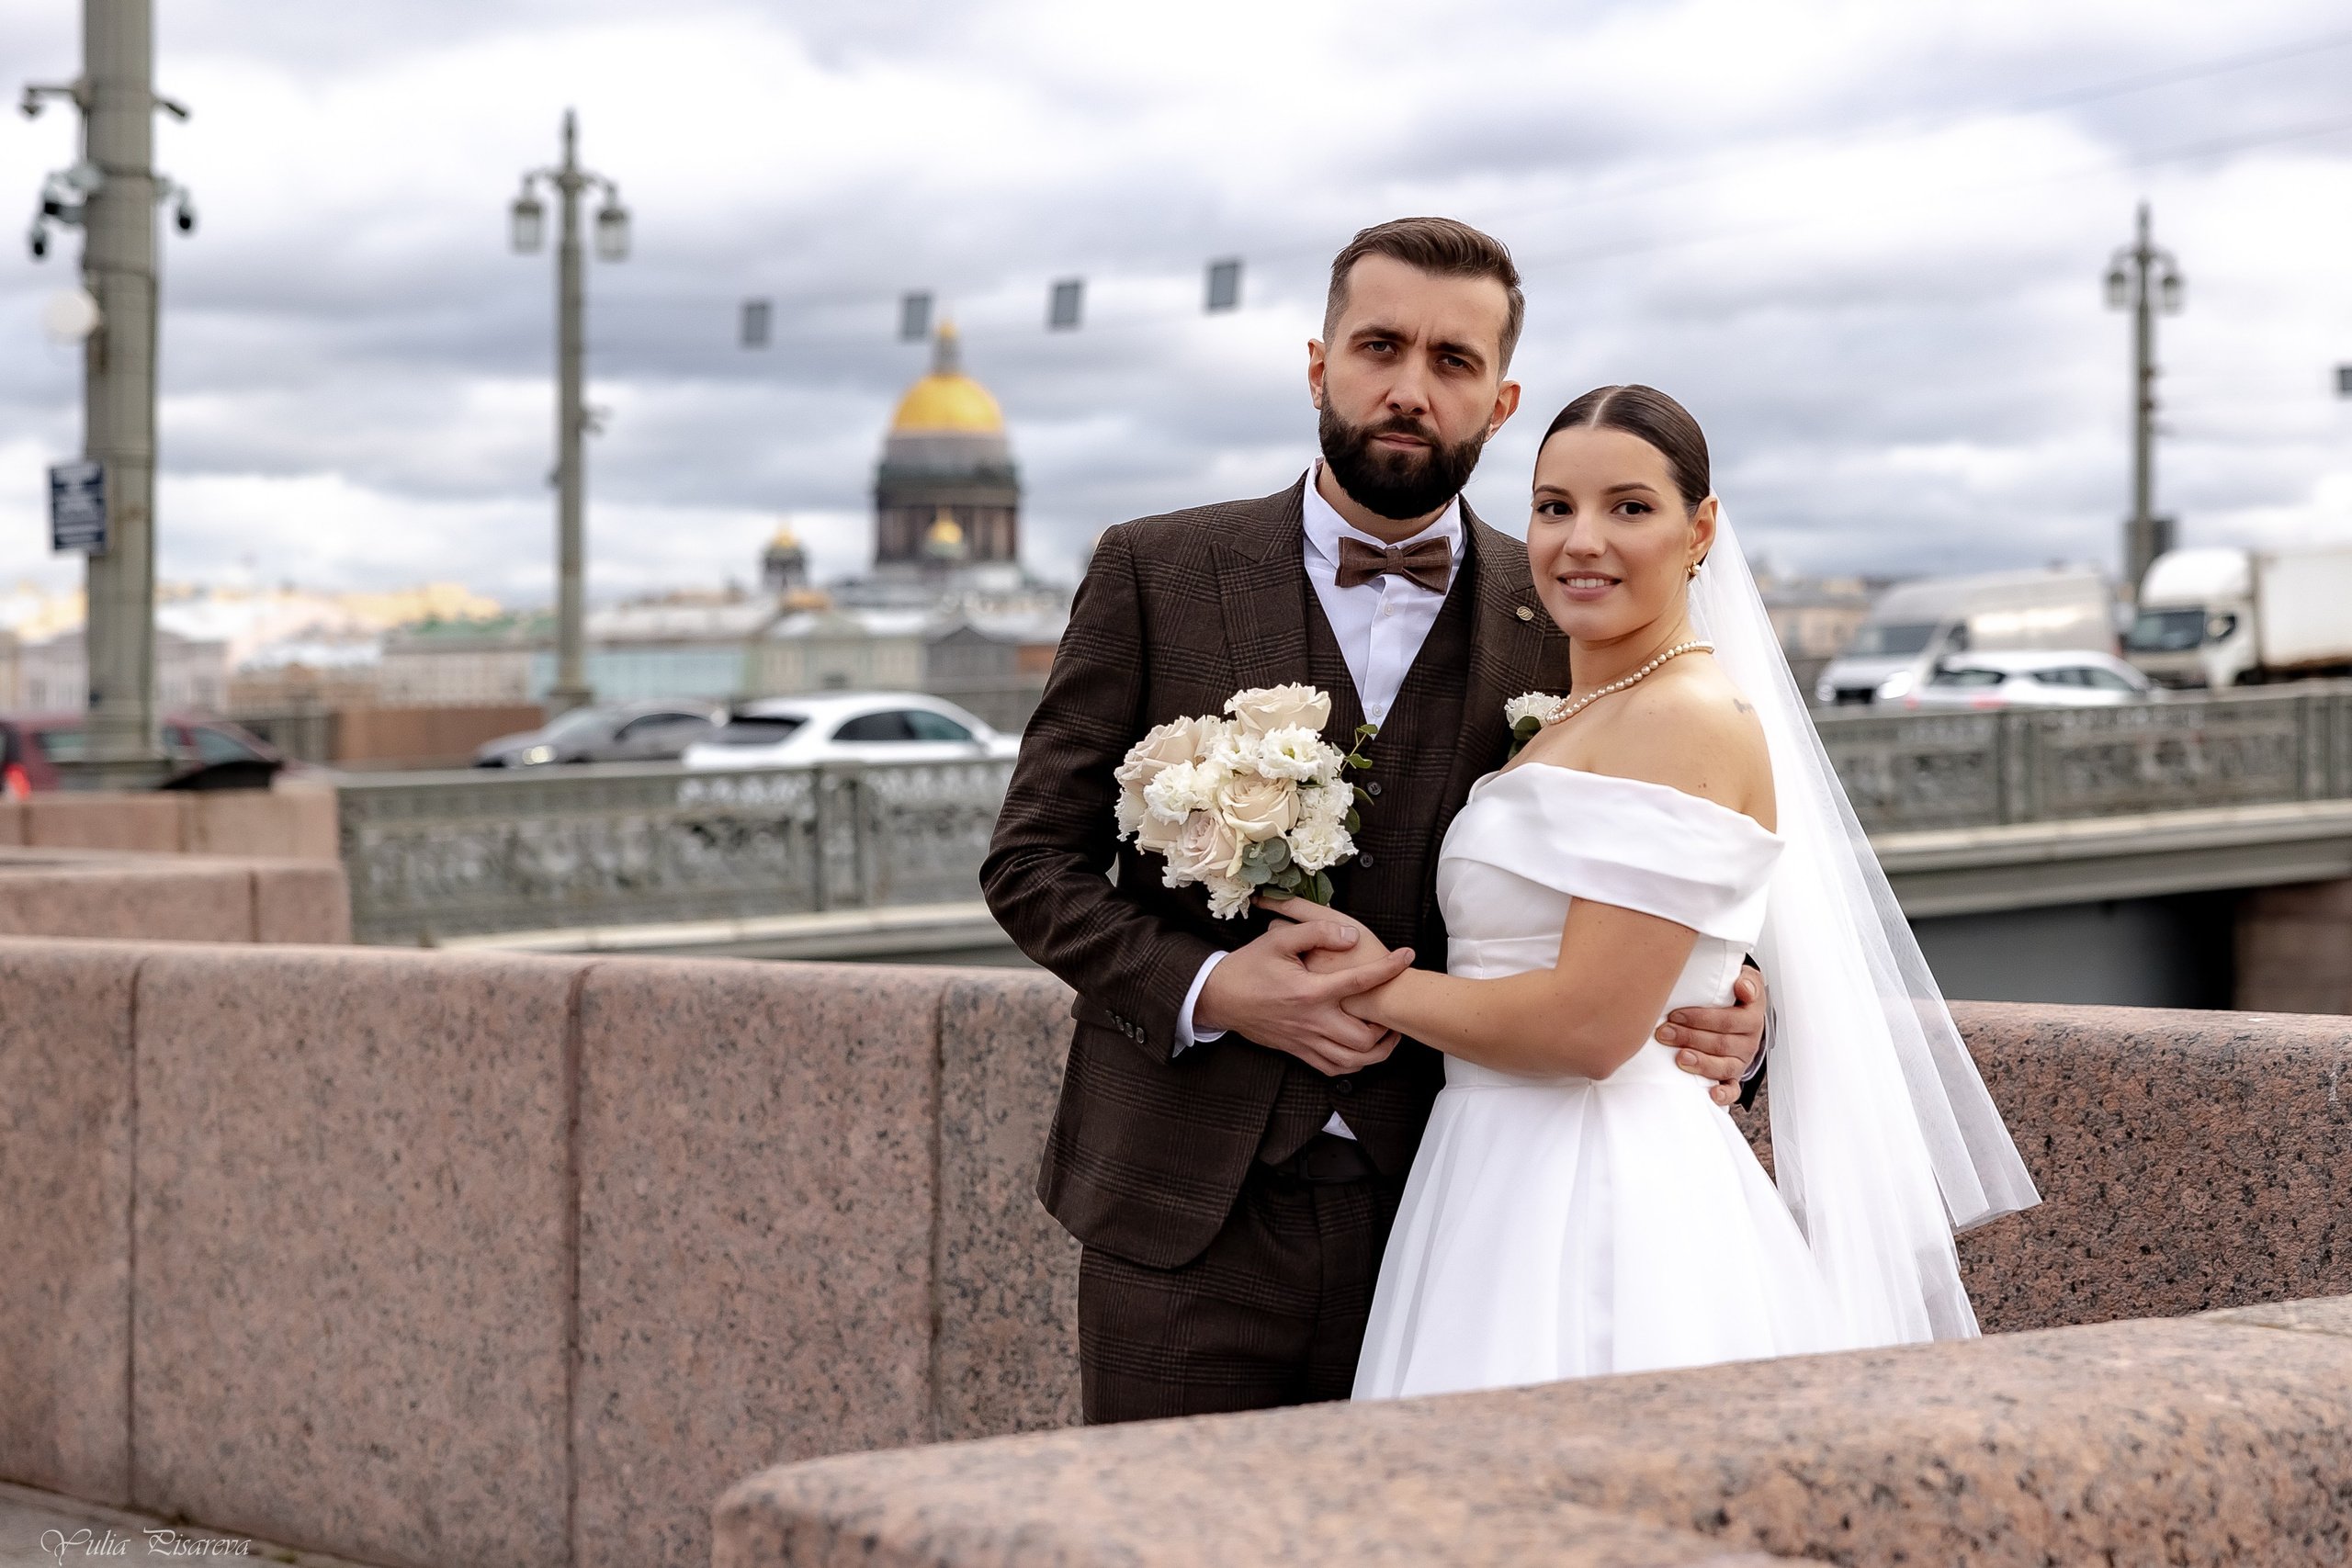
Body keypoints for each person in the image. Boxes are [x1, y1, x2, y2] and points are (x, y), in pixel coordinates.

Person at [981, 218, 1772, 1424]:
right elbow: (1031, 863)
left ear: (1501, 400)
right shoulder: (1155, 569)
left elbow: (1646, 853)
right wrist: (1213, 986)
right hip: (1185, 1218)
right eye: (1380, 345)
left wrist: (1731, 998)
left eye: (1453, 362)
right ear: (1319, 364)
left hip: (1460, 1220)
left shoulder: (1572, 603)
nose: (1411, 388)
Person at [1268, 384, 2041, 1397]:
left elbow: (1589, 1029)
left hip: (1601, 1192)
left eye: (1628, 508)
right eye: (1554, 507)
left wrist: (1361, 985)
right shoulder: (1583, 712)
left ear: (1700, 529)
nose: (1581, 541)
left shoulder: (1686, 719)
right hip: (1489, 1174)